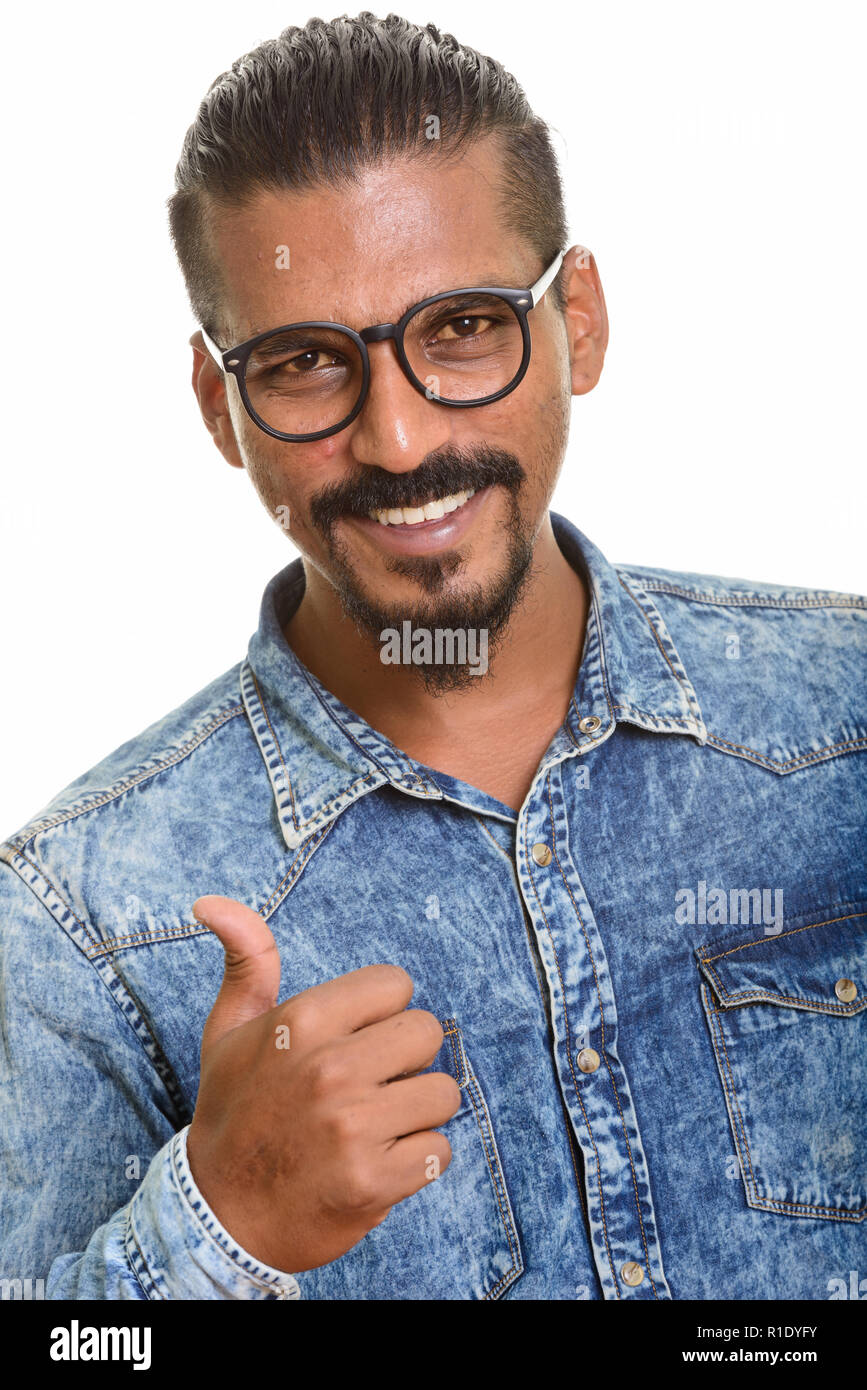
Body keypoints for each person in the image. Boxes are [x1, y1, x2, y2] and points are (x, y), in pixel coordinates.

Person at [1, 12, 865, 1302]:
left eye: (462, 329)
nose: (399, 441)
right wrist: (220, 1230)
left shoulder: (849, 721)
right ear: (218, 411)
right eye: (304, 364)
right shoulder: (78, 927)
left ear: (580, 318)